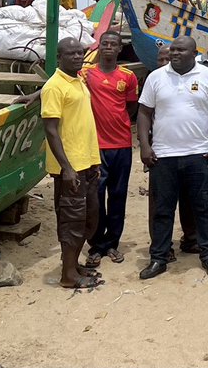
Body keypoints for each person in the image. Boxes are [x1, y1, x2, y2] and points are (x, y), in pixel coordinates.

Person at [137, 35, 208, 279]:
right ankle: (159, 258)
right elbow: (144, 113)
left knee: (203, 208)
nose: (175, 53)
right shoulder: (156, 77)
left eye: (180, 50)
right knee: (163, 209)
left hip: (199, 154)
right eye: (173, 50)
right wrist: (145, 145)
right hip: (163, 155)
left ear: (193, 53)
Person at [39, 38, 102, 289]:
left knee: (88, 217)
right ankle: (68, 275)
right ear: (59, 57)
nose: (78, 57)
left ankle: (74, 264)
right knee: (72, 221)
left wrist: (94, 161)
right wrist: (66, 167)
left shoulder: (77, 79)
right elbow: (51, 130)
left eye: (80, 53)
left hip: (86, 162)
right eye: (71, 53)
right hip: (70, 168)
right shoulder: (54, 86)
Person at [83, 30, 138, 268]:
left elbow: (132, 107)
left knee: (118, 196)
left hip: (122, 146)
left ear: (119, 49)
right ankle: (96, 244)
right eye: (104, 43)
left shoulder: (128, 76)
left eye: (112, 44)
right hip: (95, 147)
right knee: (95, 197)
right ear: (99, 46)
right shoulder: (86, 74)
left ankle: (112, 243)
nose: (108, 47)